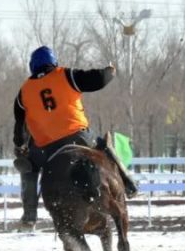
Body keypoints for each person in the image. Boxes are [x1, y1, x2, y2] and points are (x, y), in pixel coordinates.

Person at [13, 45, 139, 224]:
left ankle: (29, 215)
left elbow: (19, 128)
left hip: (45, 147)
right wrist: (109, 71)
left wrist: (20, 145)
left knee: (28, 169)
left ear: (32, 66)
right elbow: (97, 80)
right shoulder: (65, 75)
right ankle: (128, 183)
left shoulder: (24, 92)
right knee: (104, 146)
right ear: (53, 62)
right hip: (77, 136)